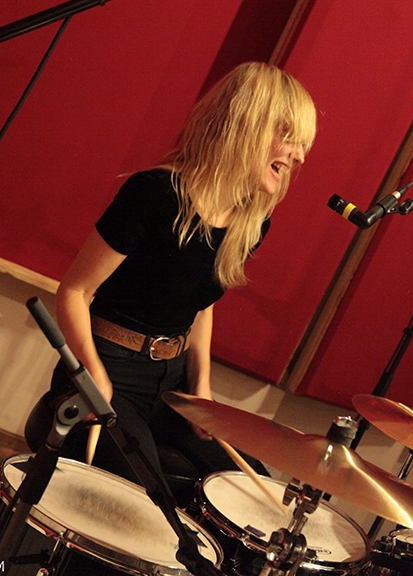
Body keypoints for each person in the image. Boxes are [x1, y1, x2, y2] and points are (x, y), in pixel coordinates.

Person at [44, 61, 317, 497]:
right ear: (244, 125)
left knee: (254, 494)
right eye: (288, 137)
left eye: (302, 144)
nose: (299, 156)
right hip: (109, 366)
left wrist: (201, 385)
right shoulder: (155, 194)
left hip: (172, 379)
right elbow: (75, 291)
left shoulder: (251, 223)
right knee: (147, 502)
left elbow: (198, 307)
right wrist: (93, 374)